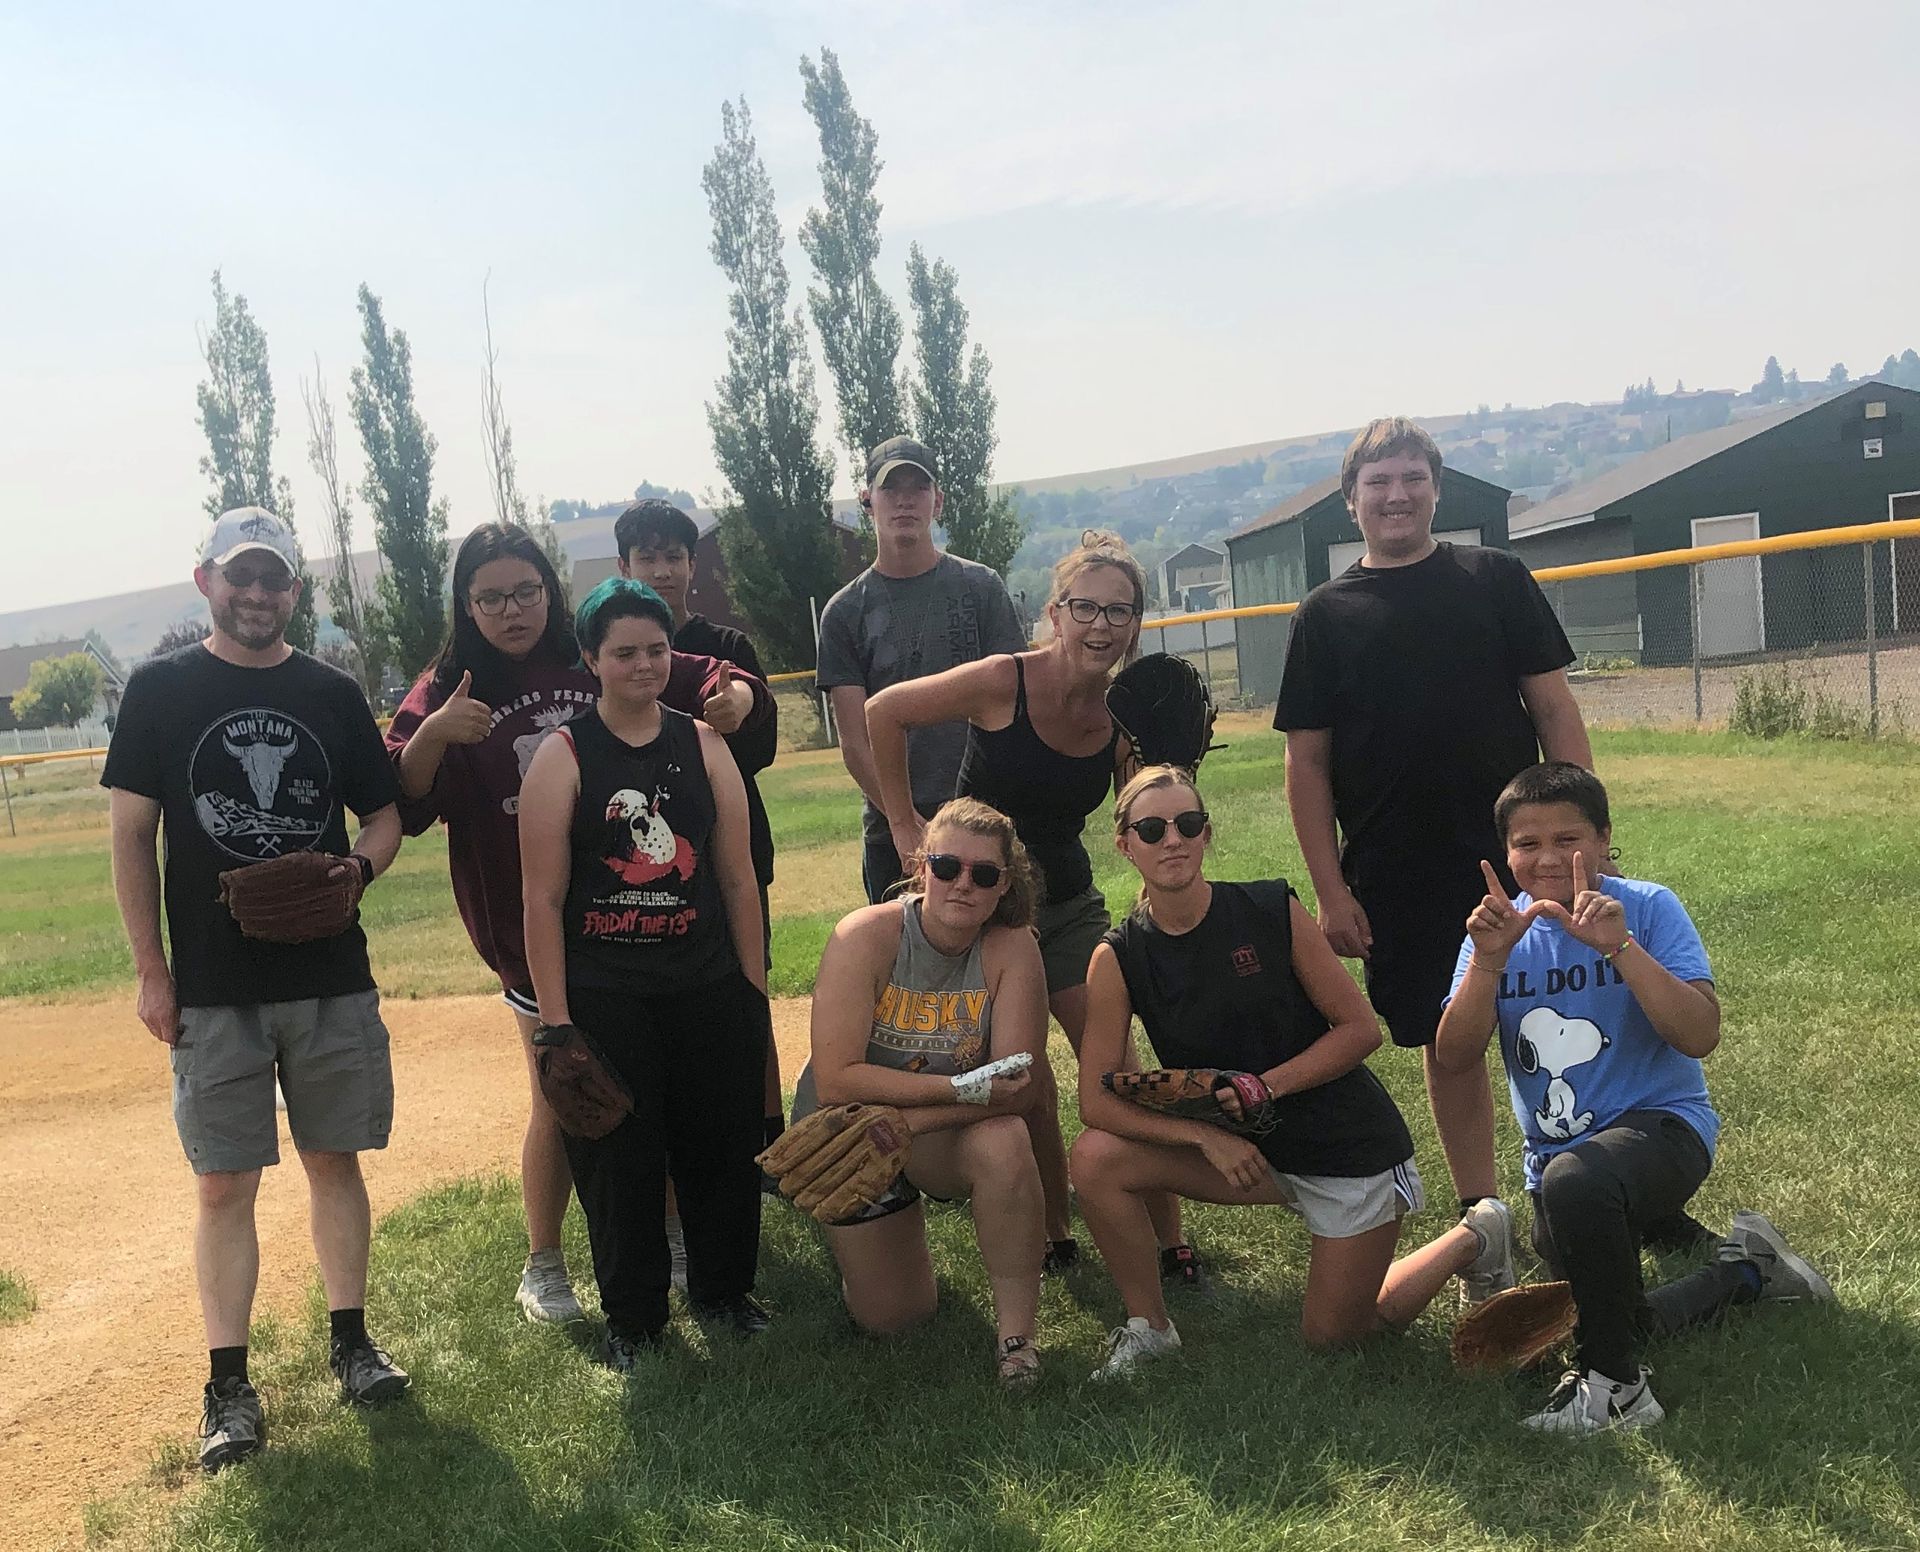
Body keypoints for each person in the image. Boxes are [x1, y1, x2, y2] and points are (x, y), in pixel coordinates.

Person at [385, 524, 771, 1322]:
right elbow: (404, 796)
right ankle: (546, 1261)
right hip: (534, 929)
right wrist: (432, 733)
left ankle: (672, 1249)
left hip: (659, 932)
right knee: (573, 1097)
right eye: (490, 597)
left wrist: (742, 697)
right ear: (466, 603)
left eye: (526, 590)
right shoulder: (452, 682)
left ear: (551, 592)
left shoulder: (595, 641)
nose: (511, 609)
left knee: (664, 1097)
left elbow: (702, 677)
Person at [103, 507, 409, 1473]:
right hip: (215, 984)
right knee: (225, 1182)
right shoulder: (159, 690)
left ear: (294, 589)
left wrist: (356, 873)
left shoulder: (329, 690)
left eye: (275, 577)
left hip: (326, 973)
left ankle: (351, 1342)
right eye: (241, 576)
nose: (258, 593)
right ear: (207, 582)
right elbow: (129, 838)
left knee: (333, 1160)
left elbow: (386, 816)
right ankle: (228, 1386)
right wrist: (154, 974)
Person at [1275, 416, 1596, 1303]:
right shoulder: (1325, 615)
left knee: (1555, 1020)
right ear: (1352, 500)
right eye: (1378, 482)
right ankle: (1481, 1212)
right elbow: (1306, 764)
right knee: (1446, 1041)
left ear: (1437, 488)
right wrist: (1331, 888)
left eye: (1412, 477)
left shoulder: (1494, 578)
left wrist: (1577, 837)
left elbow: (1554, 710)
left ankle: (1581, 1196)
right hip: (1396, 867)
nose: (1397, 495)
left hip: (1514, 856)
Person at [1070, 765, 1513, 1377]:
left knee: (1337, 1338)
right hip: (1245, 1153)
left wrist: (1265, 1086)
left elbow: (1361, 1030)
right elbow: (1096, 1102)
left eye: (1187, 824)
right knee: (1095, 1158)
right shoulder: (1117, 957)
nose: (1171, 839)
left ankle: (1478, 1233)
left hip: (1342, 1145)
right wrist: (1203, 1135)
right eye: (1151, 829)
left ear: (1205, 835)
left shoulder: (1268, 907)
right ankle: (1150, 1327)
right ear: (1125, 846)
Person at [1435, 761, 1832, 1433]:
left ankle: (1616, 1392)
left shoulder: (1645, 907)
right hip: (1559, 1174)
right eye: (1527, 844)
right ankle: (1749, 1271)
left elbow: (1699, 1033)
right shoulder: (1498, 936)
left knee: (1581, 1191)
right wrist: (1490, 961)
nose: (1550, 858)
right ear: (1505, 854)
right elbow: (1453, 1055)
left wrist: (1619, 947)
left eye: (1570, 838)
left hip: (1664, 1135)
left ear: (1605, 838)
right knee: (1615, 1313)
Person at [865, 530, 1201, 1281]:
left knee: (1114, 1064)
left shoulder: (1125, 718)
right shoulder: (1001, 681)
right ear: (1055, 612)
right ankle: (1055, 1230)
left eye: (1121, 612)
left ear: (1137, 625)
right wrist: (901, 825)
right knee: (1029, 1082)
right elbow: (883, 712)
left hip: (1068, 904)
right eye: (1086, 607)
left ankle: (1170, 1238)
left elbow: (1138, 813)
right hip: (983, 907)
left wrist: (1166, 792)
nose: (1102, 625)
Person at [518, 578, 773, 1369]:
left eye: (656, 649)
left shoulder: (703, 743)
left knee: (721, 1145)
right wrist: (557, 1023)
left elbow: (735, 878)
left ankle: (724, 1292)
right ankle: (632, 1319)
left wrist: (752, 993)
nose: (643, 665)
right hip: (607, 993)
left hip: (703, 981)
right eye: (624, 651)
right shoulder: (565, 756)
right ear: (591, 659)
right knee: (621, 1161)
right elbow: (543, 897)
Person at [791, 798, 1050, 1385]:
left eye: (984, 874)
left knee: (1006, 1140)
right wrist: (960, 1087)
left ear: (1003, 884)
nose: (964, 884)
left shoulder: (1013, 948)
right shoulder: (866, 935)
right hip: (845, 1130)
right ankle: (844, 1232)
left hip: (933, 1127)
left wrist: (910, 1123)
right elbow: (837, 1078)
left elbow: (1018, 1089)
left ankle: (1017, 1341)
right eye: (946, 866)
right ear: (921, 864)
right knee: (896, 1317)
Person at [615, 497, 785, 1163]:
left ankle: (769, 1135)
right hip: (644, 864)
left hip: (729, 854)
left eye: (673, 556)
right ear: (625, 565)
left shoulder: (725, 649)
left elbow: (762, 743)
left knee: (748, 990)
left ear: (691, 565)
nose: (661, 570)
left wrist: (740, 710)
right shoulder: (609, 650)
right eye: (647, 556)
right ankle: (684, 1140)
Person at [816, 435, 1027, 906]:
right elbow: (854, 740)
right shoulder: (845, 611)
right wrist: (903, 822)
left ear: (938, 501)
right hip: (893, 832)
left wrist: (985, 819)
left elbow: (1015, 707)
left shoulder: (980, 588)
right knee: (900, 973)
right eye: (891, 489)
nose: (905, 500)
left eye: (919, 487)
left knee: (996, 967)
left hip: (984, 822)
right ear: (867, 501)